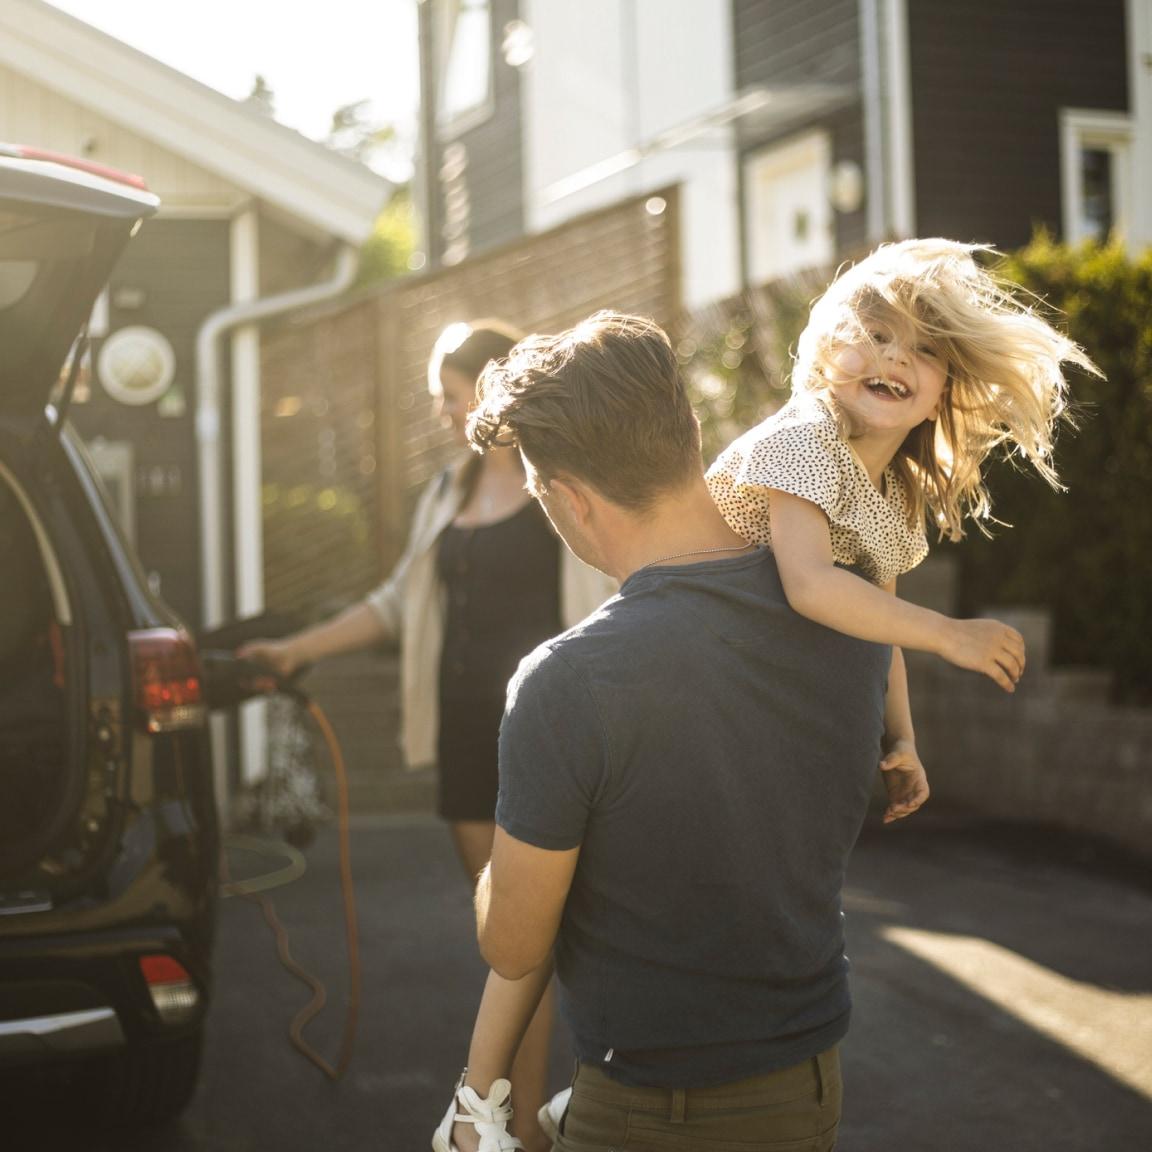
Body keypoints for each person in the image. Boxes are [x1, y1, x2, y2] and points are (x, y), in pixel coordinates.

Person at [433, 311, 931, 1152]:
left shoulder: (569, 682)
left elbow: (512, 940)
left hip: (659, 1112)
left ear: (569, 501)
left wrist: (522, 847)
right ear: (690, 433)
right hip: (807, 1083)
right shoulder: (855, 613)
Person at [239, 320, 612, 1150]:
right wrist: (294, 650)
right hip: (467, 737)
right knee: (507, 941)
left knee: (553, 935)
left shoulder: (568, 482)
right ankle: (523, 1118)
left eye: (454, 397)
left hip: (550, 731)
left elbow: (624, 590)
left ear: (498, 389)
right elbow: (394, 606)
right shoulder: (445, 494)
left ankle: (526, 1124)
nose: (445, 415)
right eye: (440, 400)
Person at [706, 238, 1098, 787]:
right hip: (694, 652)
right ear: (826, 356)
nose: (893, 356)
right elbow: (810, 585)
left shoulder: (893, 495)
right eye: (876, 334)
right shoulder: (804, 436)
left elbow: (879, 627)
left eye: (924, 350)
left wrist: (904, 740)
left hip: (758, 687)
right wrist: (948, 635)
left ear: (939, 397)